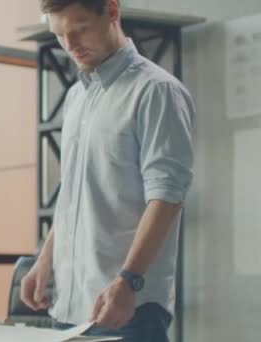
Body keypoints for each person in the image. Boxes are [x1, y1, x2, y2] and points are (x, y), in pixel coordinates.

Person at [20, 0, 195, 341]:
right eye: (59, 35)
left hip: (127, 309)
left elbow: (167, 198)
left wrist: (129, 280)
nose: (70, 45)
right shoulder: (75, 99)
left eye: (80, 29)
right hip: (67, 309)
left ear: (112, 11)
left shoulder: (157, 90)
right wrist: (45, 260)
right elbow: (73, 193)